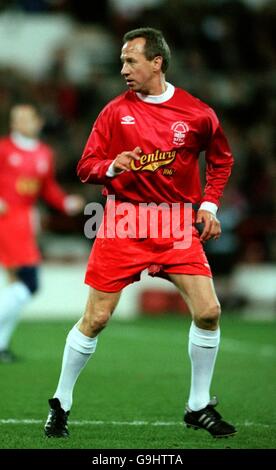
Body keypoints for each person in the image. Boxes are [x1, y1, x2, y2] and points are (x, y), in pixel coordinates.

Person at [44, 27, 237, 439]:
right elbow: (85, 166)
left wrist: (208, 205)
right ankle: (61, 401)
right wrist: (113, 166)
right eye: (121, 61)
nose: (123, 69)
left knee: (209, 312)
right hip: (124, 222)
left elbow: (221, 160)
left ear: (157, 62)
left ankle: (198, 405)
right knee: (95, 318)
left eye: (130, 61)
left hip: (175, 224)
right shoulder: (115, 112)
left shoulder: (198, 113)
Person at [0, 103, 84, 363]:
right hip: (6, 218)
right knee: (30, 282)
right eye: (16, 119)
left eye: (25, 118)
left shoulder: (44, 153)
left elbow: (47, 187)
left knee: (17, 285)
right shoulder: (3, 149)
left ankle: (1, 346)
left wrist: (66, 203)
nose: (19, 123)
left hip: (25, 219)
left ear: (37, 122)